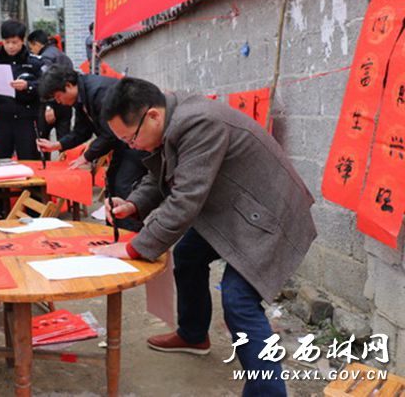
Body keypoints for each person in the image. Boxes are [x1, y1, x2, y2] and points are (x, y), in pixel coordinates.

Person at [92, 78, 317, 397]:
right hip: (236, 211)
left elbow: (185, 201)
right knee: (188, 256)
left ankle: (268, 393)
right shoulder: (171, 118)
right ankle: (193, 334)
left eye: (131, 138)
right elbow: (161, 174)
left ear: (152, 116)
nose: (132, 146)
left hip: (269, 216)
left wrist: (134, 247)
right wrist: (133, 203)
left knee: (238, 301)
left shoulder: (198, 123)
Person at [36, 66, 148, 220]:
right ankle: (116, 228)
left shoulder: (99, 92)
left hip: (138, 141)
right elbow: (82, 131)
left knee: (124, 187)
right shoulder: (80, 97)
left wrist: (86, 156)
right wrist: (57, 145)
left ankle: (129, 232)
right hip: (123, 144)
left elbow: (109, 134)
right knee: (112, 184)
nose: (58, 101)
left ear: (68, 85)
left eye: (58, 96)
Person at [0, 20, 43, 163]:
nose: (10, 46)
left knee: (30, 162)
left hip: (26, 120)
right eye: (7, 42)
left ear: (22, 40)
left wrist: (28, 86)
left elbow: (45, 87)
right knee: (0, 162)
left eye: (15, 42)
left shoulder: (34, 62)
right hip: (0, 120)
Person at [27, 29, 74, 142]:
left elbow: (47, 84)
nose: (32, 51)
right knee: (64, 141)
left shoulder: (45, 58)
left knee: (42, 141)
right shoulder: (61, 54)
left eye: (31, 48)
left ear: (37, 44)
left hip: (51, 104)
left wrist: (49, 106)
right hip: (66, 103)